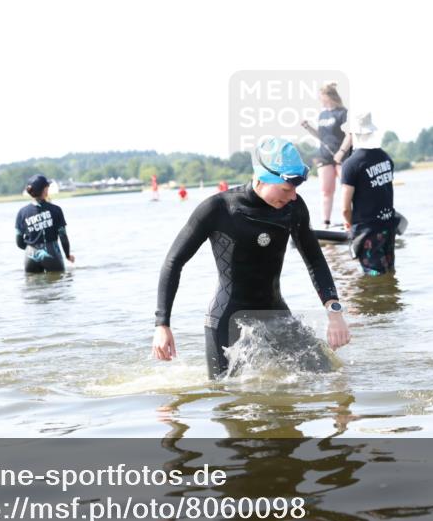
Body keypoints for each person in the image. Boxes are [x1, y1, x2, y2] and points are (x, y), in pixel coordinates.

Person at [152, 137, 351, 379]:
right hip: (228, 320)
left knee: (330, 378)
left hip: (277, 316)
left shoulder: (294, 208)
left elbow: (315, 260)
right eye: (287, 189)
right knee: (228, 398)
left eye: (296, 190)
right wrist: (162, 325)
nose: (293, 196)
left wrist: (335, 312)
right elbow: (174, 262)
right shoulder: (218, 209)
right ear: (262, 178)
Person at [340, 111, 396, 276]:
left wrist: (349, 224)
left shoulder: (351, 164)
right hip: (388, 225)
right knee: (389, 272)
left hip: (367, 230)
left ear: (353, 134)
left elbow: (344, 207)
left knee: (373, 277)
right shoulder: (385, 157)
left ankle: (376, 302)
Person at [300, 82, 348, 228]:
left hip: (342, 156)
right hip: (325, 156)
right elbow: (321, 136)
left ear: (328, 96)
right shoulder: (322, 114)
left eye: (321, 96)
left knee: (347, 188)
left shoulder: (343, 113)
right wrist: (308, 128)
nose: (319, 99)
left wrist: (341, 153)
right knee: (326, 191)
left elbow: (349, 135)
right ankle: (326, 223)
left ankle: (351, 220)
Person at [15, 174, 74, 273]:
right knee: (58, 285)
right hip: (52, 253)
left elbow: (19, 242)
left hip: (30, 256)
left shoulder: (22, 212)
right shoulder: (56, 210)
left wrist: (32, 247)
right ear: (45, 190)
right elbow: (63, 236)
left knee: (34, 287)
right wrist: (67, 255)